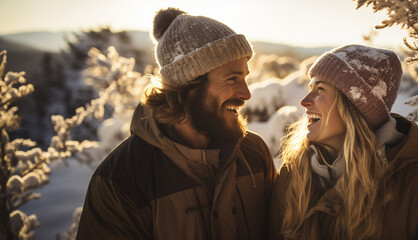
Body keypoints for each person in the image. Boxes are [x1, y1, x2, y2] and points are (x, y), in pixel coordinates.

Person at [77, 7, 277, 240]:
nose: (246, 93)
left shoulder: (253, 153)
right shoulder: (121, 179)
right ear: (189, 86)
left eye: (245, 78)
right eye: (232, 79)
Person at [269, 45, 418, 239]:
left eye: (320, 89)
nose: (304, 101)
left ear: (354, 105)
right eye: (310, 87)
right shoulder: (292, 176)